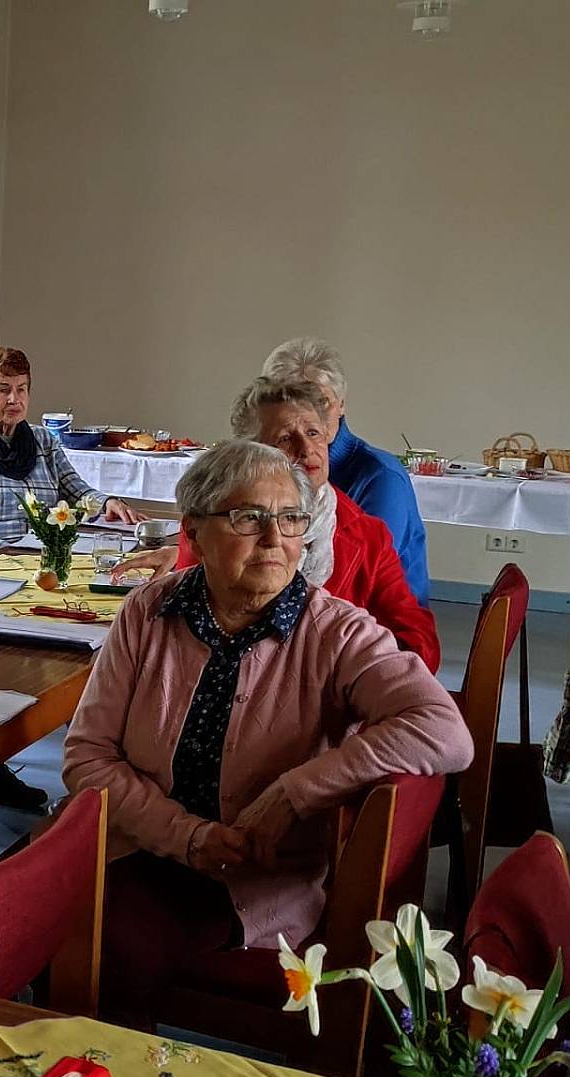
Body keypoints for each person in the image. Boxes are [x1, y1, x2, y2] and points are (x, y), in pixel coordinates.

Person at [64, 439, 471, 1028]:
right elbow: (86, 757)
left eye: (290, 518)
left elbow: (444, 730)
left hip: (247, 875)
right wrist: (185, 834)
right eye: (248, 516)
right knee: (20, 907)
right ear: (194, 532)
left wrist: (295, 790)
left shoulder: (336, 633)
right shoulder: (148, 611)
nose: (275, 537)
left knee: (107, 944)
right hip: (137, 842)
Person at [119, 378, 440, 672]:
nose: (307, 448)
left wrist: (343, 674)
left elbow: (419, 647)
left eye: (314, 433)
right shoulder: (215, 527)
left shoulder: (368, 534)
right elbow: (183, 642)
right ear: (250, 452)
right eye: (286, 438)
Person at [262, 337, 430, 606]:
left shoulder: (380, 476)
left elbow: (360, 580)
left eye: (321, 402)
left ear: (342, 404)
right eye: (294, 401)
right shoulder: (267, 471)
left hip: (376, 625)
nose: (309, 413)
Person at [0, 346, 142, 566]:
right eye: (3, 390)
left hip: (38, 563)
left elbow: (77, 490)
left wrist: (108, 502)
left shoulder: (43, 439)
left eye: (22, 389)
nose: (14, 399)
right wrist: (11, 554)